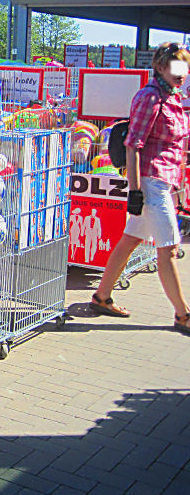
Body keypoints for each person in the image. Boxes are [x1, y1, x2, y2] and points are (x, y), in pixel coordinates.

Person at [92, 42, 190, 332]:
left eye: (184, 66)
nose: (181, 72)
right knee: (169, 249)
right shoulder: (150, 97)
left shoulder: (173, 97)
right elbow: (133, 144)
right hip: (150, 182)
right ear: (160, 67)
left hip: (163, 181)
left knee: (131, 239)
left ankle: (102, 296)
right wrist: (135, 191)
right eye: (174, 66)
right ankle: (183, 314)